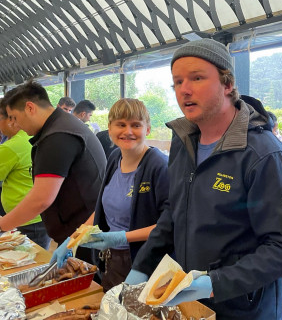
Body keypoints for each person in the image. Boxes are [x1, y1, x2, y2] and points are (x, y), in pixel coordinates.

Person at [125, 38, 282, 320]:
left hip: (245, 309)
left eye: (197, 78)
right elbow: (174, 214)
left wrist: (215, 283)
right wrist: (143, 265)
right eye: (177, 81)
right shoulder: (184, 142)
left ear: (227, 84)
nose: (184, 89)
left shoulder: (265, 156)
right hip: (192, 305)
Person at [51, 98, 170, 291]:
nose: (128, 131)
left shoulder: (158, 166)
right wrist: (73, 239)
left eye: (136, 125)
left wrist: (123, 237)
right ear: (109, 128)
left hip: (144, 261)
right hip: (113, 258)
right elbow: (101, 208)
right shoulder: (115, 158)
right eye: (121, 124)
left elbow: (170, 225)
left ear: (147, 129)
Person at [0, 81, 106, 265]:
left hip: (84, 235)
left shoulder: (58, 136)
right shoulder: (60, 126)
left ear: (30, 108)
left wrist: (2, 225)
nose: (14, 124)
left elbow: (41, 198)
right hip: (79, 232)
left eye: (14, 117)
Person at [0, 98, 51, 249]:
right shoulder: (33, 136)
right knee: (39, 259)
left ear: (10, 120)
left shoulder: (11, 147)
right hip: (41, 216)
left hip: (23, 219)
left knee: (26, 264)